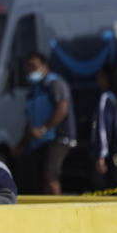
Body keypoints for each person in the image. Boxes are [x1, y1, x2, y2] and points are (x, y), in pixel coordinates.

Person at [15, 52, 77, 195]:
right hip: (40, 141)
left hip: (58, 138)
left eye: (34, 66)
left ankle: (59, 210)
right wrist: (20, 144)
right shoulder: (33, 91)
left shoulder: (55, 84)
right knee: (41, 180)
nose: (30, 70)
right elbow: (29, 122)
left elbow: (62, 108)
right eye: (28, 67)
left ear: (45, 67)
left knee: (50, 176)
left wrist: (44, 129)